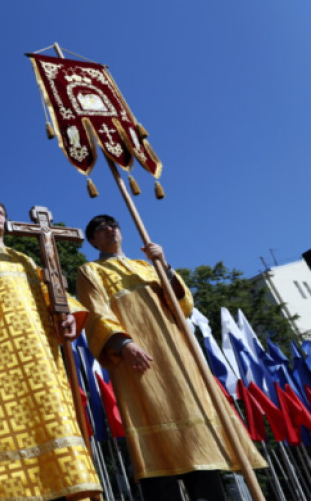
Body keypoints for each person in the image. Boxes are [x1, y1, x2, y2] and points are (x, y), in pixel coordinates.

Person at [76, 214, 266, 501]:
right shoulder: (90, 271)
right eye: (100, 229)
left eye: (112, 225)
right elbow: (96, 313)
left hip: (177, 355)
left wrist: (163, 265)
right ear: (92, 240)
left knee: (195, 426)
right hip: (138, 358)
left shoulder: (146, 266)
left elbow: (183, 306)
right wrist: (124, 343)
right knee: (154, 428)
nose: (109, 230)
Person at [0, 199, 102, 501]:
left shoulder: (25, 261)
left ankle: (66, 485)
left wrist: (67, 314)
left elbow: (51, 293)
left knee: (51, 410)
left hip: (37, 347)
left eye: (0, 213)